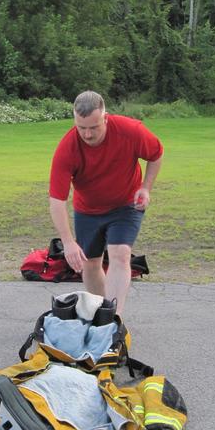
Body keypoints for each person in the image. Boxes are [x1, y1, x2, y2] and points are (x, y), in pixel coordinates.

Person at [49, 91, 163, 316]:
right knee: (90, 264)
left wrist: (146, 187)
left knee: (120, 253)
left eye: (94, 127)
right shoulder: (67, 148)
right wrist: (68, 242)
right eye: (81, 128)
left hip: (125, 204)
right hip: (88, 209)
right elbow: (56, 200)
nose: (88, 134)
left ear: (106, 118)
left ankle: (113, 319)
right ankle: (100, 312)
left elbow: (156, 154)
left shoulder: (131, 131)